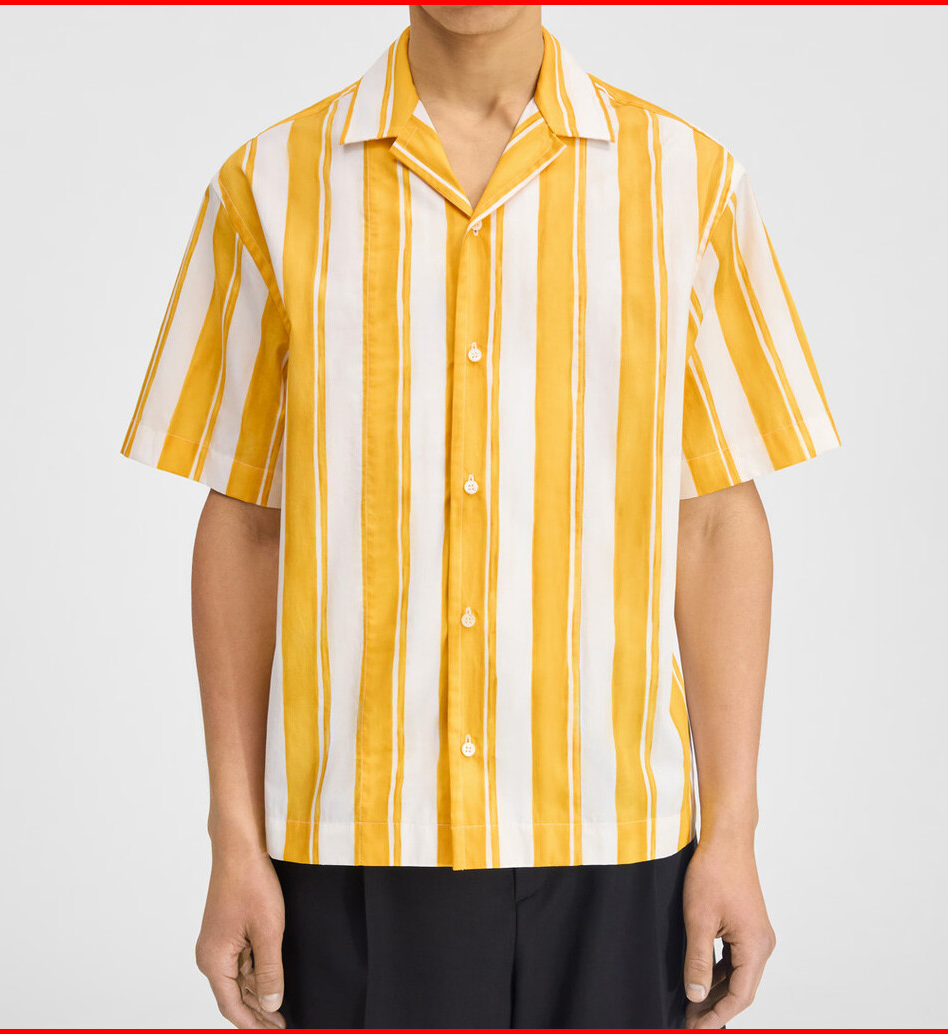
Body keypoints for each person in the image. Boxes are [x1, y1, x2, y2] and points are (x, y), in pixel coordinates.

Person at [119, 5, 842, 1029]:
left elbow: (714, 520)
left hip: (619, 843)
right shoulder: (269, 183)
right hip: (353, 846)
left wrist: (733, 832)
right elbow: (245, 524)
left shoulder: (688, 180)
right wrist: (233, 836)